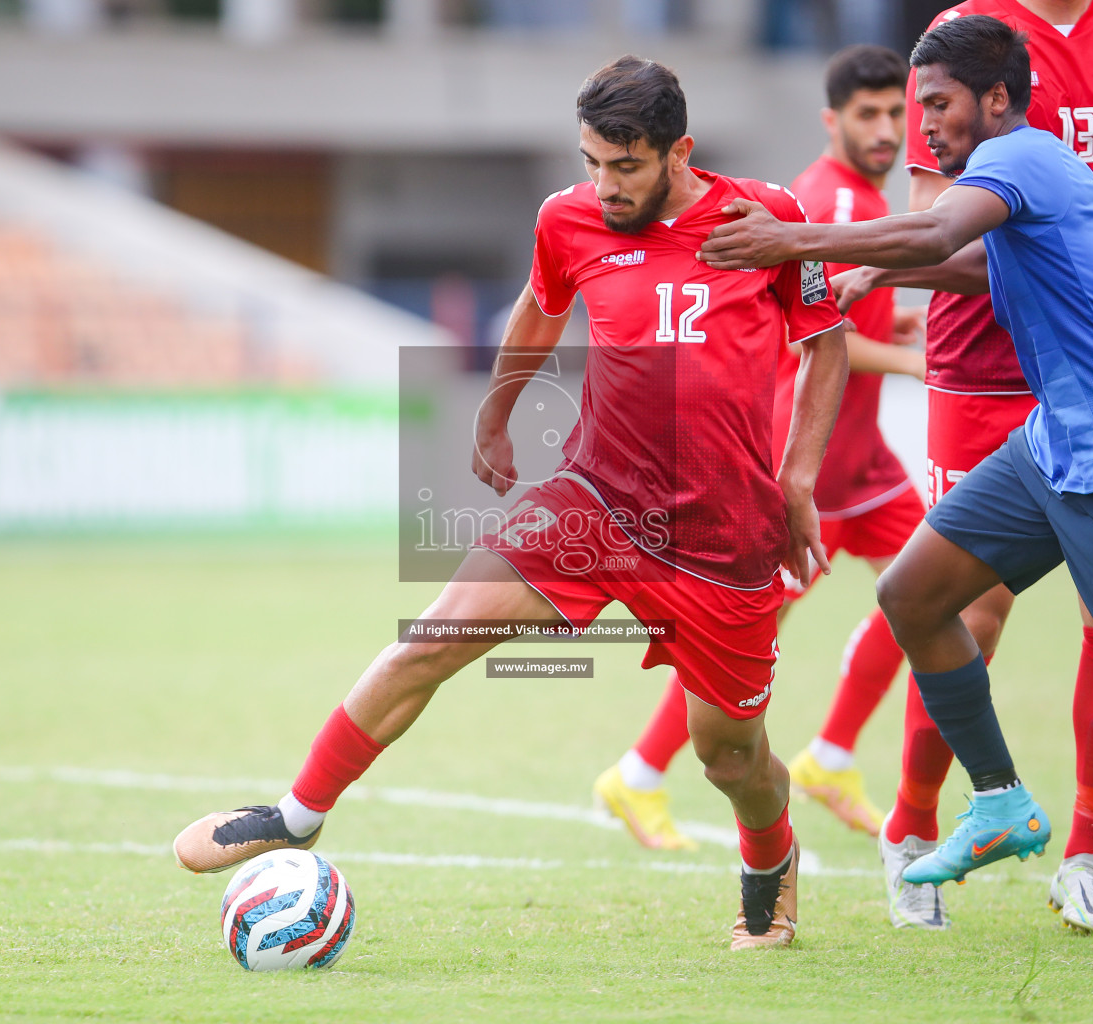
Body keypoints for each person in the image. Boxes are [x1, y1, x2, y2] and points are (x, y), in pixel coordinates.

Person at [173, 55, 850, 951]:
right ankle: (297, 813)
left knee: (729, 754)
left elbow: (826, 341)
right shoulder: (567, 219)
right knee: (435, 637)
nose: (603, 186)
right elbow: (540, 305)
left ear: (680, 150)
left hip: (724, 538)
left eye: (626, 166)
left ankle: (770, 863)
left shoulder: (767, 216)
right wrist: (496, 412)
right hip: (596, 498)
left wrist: (797, 479)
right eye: (591, 163)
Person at [696, 13, 1093, 935]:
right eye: (916, 106)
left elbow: (936, 238)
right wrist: (861, 270)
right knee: (914, 594)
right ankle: (1000, 802)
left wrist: (795, 243)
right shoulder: (1025, 172)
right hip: (1054, 442)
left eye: (936, 106)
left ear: (993, 99)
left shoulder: (1019, 159)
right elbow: (977, 265)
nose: (922, 126)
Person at [824, 0, 1093, 935]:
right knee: (961, 607)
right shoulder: (970, 33)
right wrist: (1046, 216)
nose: (922, 116)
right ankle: (915, 830)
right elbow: (940, 223)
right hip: (978, 373)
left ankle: (1088, 852)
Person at [592, 45, 929, 870]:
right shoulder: (812, 203)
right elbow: (816, 338)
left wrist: (903, 333)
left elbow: (851, 325)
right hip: (795, 465)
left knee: (952, 595)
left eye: (898, 113)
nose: (886, 130)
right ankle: (641, 772)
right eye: (869, 115)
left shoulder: (857, 203)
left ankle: (833, 755)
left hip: (863, 468)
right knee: (738, 643)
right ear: (833, 121)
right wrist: (922, 362)